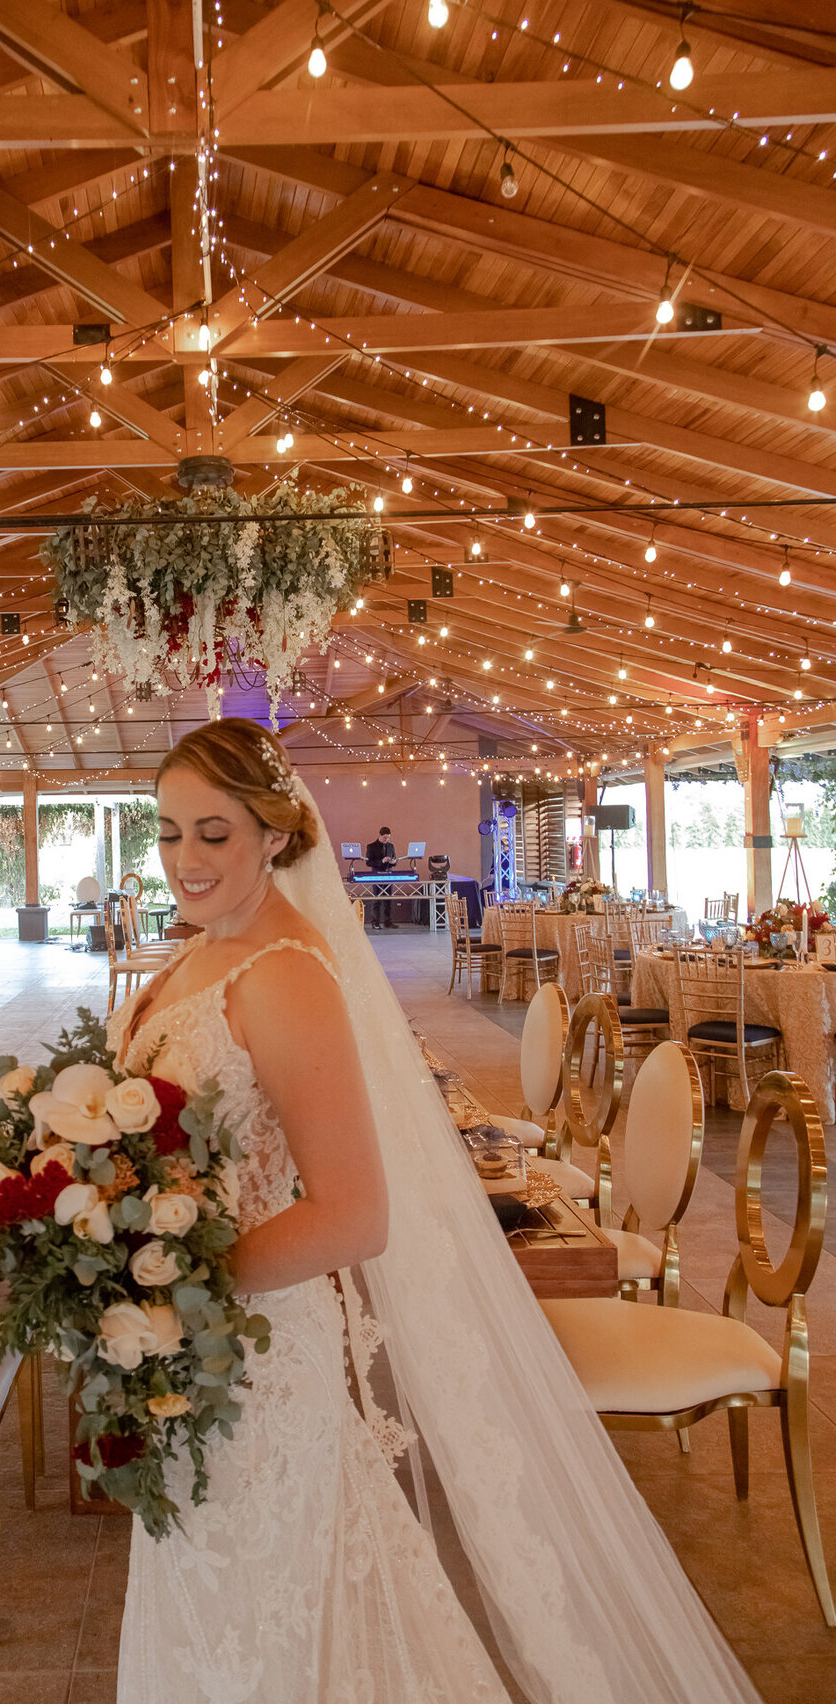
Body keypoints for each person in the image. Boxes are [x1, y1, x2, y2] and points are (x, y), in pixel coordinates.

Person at [108, 717, 760, 1704]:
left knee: (258, 1630)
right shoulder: (205, 945)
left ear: (274, 835)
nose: (184, 860)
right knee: (205, 1612)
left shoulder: (284, 973)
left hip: (246, 1354)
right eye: (167, 831)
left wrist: (168, 1284)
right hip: (184, 1353)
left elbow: (355, 1216)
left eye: (215, 832)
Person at [365, 824, 396, 929]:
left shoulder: (391, 846)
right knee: (377, 899)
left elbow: (394, 860)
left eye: (388, 838)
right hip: (376, 875)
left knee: (388, 899)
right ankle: (375, 922)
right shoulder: (371, 846)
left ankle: (388, 922)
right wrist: (381, 861)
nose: (386, 840)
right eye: (384, 838)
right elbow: (369, 863)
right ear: (380, 835)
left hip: (388, 875)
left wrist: (393, 861)